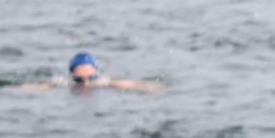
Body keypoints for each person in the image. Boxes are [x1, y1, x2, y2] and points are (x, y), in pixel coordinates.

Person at [12, 52, 164, 93]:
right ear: (72, 77)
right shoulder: (63, 83)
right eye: (79, 80)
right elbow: (34, 87)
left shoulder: (105, 82)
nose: (86, 84)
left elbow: (132, 84)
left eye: (91, 78)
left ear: (97, 75)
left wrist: (153, 88)